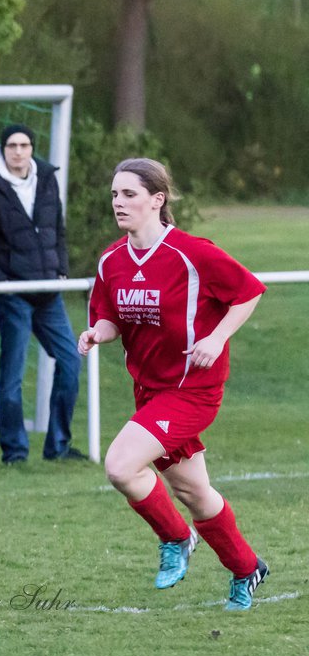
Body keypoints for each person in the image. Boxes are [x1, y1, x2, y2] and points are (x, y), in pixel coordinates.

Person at [78, 158, 268, 611]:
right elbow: (109, 317)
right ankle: (247, 567)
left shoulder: (192, 252)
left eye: (129, 194)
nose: (118, 203)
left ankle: (176, 539)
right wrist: (96, 333)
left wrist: (216, 337)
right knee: (194, 492)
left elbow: (248, 292)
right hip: (150, 391)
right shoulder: (111, 260)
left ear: (157, 200)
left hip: (193, 390)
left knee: (121, 466)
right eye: (114, 195)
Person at [0, 124, 84, 465]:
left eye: (24, 145)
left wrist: (60, 268)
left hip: (49, 293)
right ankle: (15, 452)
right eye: (12, 145)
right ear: (2, 149)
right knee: (13, 375)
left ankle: (59, 446)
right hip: (12, 295)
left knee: (71, 360)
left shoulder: (47, 179)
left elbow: (57, 230)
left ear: (32, 148)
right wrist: (1, 283)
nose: (18, 151)